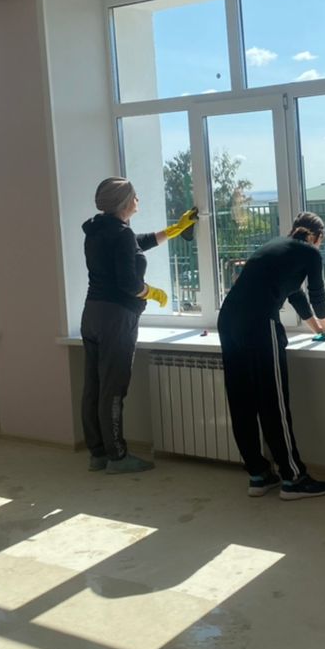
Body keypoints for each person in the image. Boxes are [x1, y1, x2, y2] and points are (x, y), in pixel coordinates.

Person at [217, 211, 325, 500]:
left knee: (242, 400)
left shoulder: (275, 247)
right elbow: (317, 295)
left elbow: (295, 295)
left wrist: (317, 329)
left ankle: (258, 475)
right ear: (317, 237)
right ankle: (293, 477)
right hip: (259, 324)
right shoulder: (310, 252)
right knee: (273, 401)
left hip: (228, 321)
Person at [82, 178, 197, 474]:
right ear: (124, 202)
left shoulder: (98, 230)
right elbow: (129, 283)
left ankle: (99, 454)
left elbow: (134, 244)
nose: (138, 199)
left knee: (94, 386)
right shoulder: (120, 234)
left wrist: (174, 230)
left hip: (93, 314)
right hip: (116, 317)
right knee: (114, 388)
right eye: (135, 196)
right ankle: (118, 457)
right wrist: (151, 292)